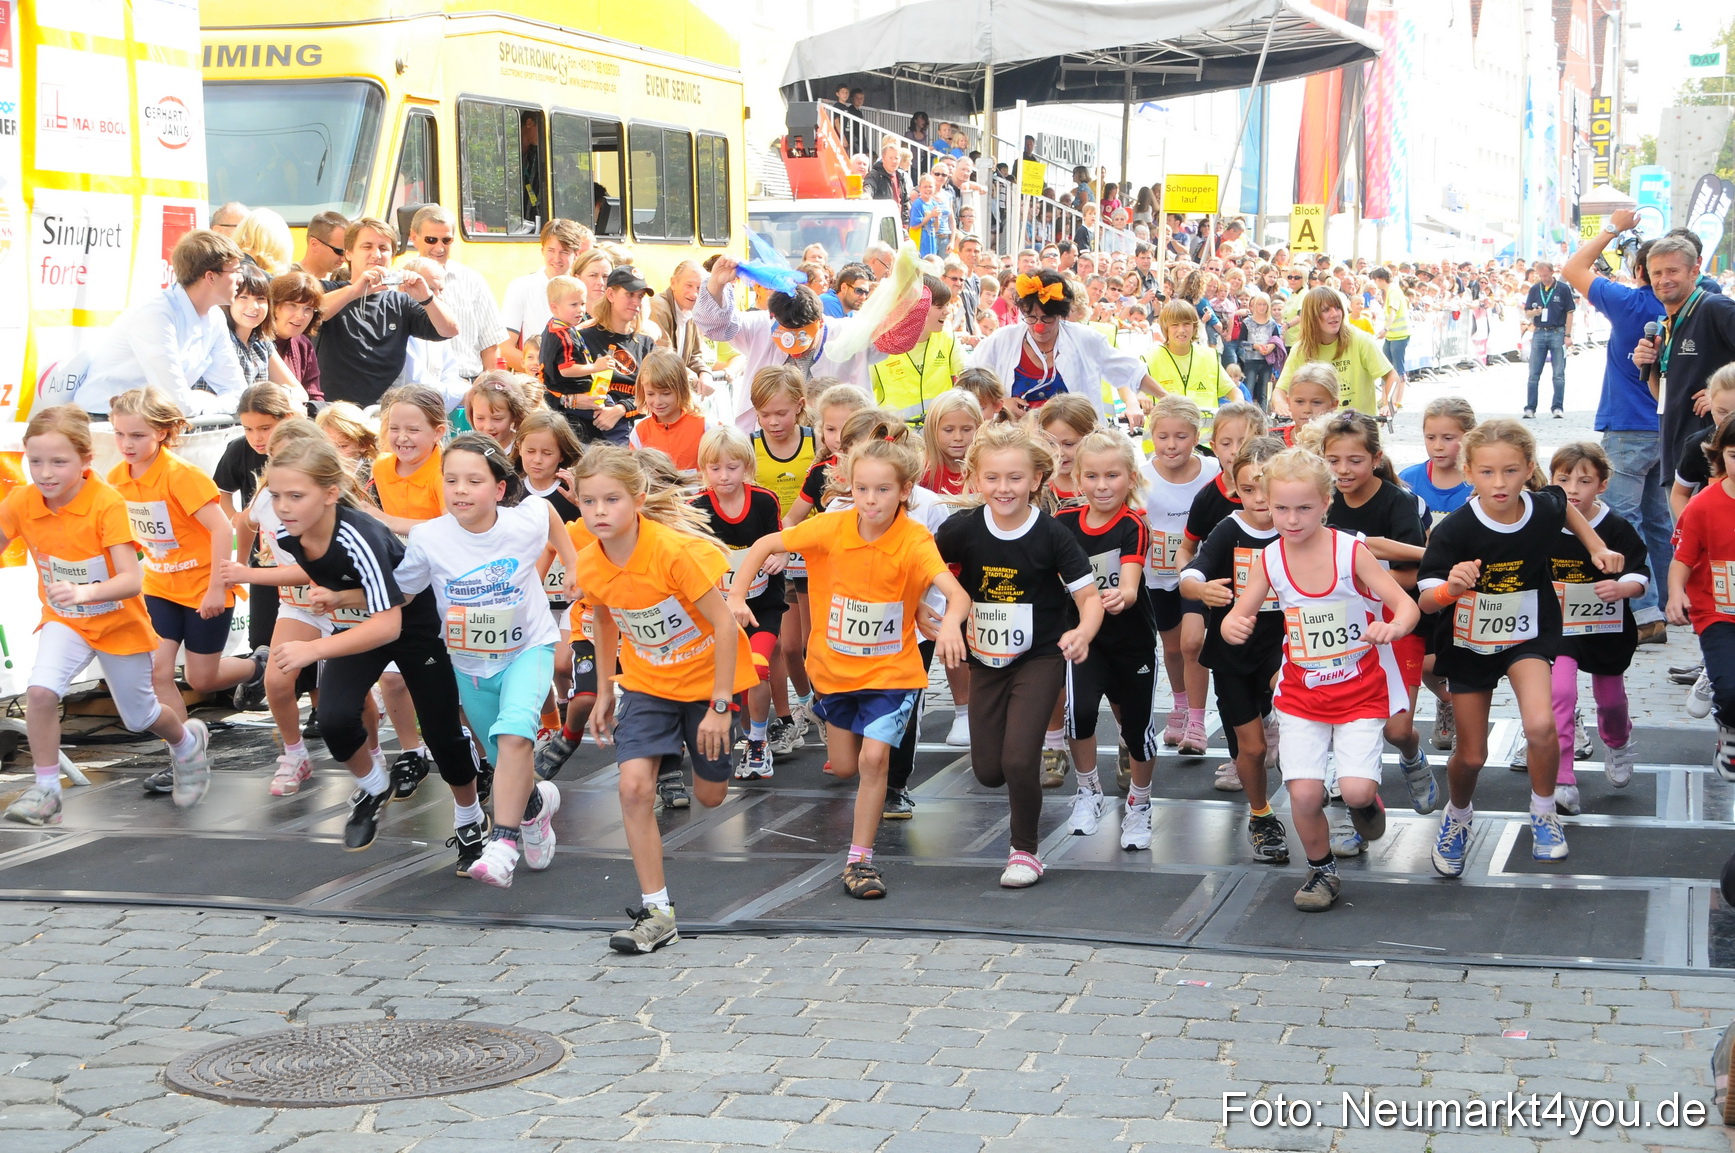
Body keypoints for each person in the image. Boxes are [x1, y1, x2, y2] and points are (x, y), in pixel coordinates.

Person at [729, 417, 969, 899]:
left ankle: (860, 860)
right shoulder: (831, 527)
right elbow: (763, 545)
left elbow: (955, 593)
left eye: (883, 490)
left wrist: (949, 628)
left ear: (905, 492)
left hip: (892, 672)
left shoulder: (914, 539)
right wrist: (737, 596)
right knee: (844, 767)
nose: (871, 500)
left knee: (875, 759)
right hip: (835, 672)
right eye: (862, 489)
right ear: (849, 486)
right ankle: (831, 724)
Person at [265, 436, 484, 864]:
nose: (283, 506)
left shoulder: (358, 534)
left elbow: (390, 622)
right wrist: (339, 598)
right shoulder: (294, 533)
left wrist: (315, 649)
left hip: (415, 627)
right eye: (275, 496)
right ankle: (373, 786)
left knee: (441, 734)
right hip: (366, 622)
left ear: (330, 495)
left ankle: (469, 816)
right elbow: (360, 594)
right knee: (333, 718)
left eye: (295, 495)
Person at [1419, 420, 1623, 877]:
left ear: (1529, 469)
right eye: (1487, 472)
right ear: (1469, 471)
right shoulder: (1456, 530)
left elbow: (1563, 508)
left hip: (1529, 635)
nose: (1499, 483)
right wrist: (1452, 587)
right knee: (1472, 754)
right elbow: (1425, 598)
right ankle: (1457, 816)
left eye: (1510, 471)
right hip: (1470, 643)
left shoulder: (1544, 505)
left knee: (1540, 725)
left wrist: (1595, 545)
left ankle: (1543, 812)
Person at [1220, 447, 1418, 912]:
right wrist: (1233, 624)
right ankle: (1322, 871)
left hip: (1360, 693)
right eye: (1281, 508)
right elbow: (1239, 613)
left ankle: (1367, 803)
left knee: (1354, 790)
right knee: (1305, 794)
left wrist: (1393, 626)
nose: (1291, 519)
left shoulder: (1352, 552)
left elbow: (1404, 603)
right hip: (1302, 695)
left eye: (1304, 508)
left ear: (1326, 503)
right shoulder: (1269, 559)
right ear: (1267, 502)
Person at [578, 447, 760, 951]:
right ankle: (658, 911)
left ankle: (696, 748)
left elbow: (724, 625)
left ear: (636, 500)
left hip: (708, 685)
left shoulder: (671, 553)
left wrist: (722, 707)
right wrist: (606, 686)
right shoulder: (591, 563)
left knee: (711, 797)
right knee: (634, 789)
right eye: (589, 501)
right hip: (648, 685)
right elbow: (604, 617)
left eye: (611, 500)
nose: (599, 512)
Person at [0, 407, 212, 826]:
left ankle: (187, 742)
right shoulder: (22, 500)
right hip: (65, 620)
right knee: (40, 693)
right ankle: (45, 789)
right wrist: (72, 601)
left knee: (140, 717)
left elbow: (132, 580)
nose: (45, 472)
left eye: (59, 462)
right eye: (35, 461)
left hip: (118, 624)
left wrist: (85, 591)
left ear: (85, 462)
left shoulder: (106, 503)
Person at [395, 433, 578, 887]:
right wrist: (340, 596)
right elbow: (401, 591)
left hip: (528, 648)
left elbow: (548, 513)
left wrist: (572, 563)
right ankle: (536, 807)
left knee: (517, 732)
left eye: (473, 481)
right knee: (503, 760)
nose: (459, 489)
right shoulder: (427, 538)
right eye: (451, 480)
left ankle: (503, 843)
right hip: (470, 666)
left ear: (499, 489)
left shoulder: (521, 522)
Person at [937, 421, 1101, 886]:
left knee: (1017, 758)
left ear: (1036, 479)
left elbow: (1088, 599)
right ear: (975, 478)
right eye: (992, 478)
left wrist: (1083, 633)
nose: (1003, 488)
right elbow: (922, 571)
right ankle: (1020, 816)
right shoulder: (961, 530)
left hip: (1042, 655)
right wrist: (933, 616)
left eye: (1014, 478)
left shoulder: (1051, 534)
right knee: (988, 770)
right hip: (985, 660)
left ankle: (1024, 851)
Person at [104, 387, 269, 769]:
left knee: (202, 679)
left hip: (201, 587)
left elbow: (221, 530)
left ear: (161, 433)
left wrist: (216, 587)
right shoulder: (116, 478)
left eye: (137, 435)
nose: (126, 444)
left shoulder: (181, 476)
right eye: (119, 434)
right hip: (159, 587)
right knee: (158, 671)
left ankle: (256, 668)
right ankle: (185, 756)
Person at [1180, 435, 1290, 862]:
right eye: (1248, 489)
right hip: (1234, 653)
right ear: (1233, 487)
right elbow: (1193, 572)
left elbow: (1360, 546)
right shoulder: (1230, 529)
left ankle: (1316, 793)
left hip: (1289, 650)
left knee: (1300, 739)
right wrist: (1199, 589)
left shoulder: (1299, 525)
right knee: (1254, 749)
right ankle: (1261, 816)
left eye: (1269, 487)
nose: (1260, 499)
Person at [1562, 208, 1669, 644]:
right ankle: (1671, 602)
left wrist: (1612, 227)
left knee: (1624, 516)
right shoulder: (1693, 302)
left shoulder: (1630, 302)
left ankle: (1646, 613)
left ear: (1638, 268)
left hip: (1629, 427)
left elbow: (1573, 268)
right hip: (1672, 426)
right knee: (1659, 520)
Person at [1055, 430, 1157, 844]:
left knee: (1136, 731)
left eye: (1112, 476)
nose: (1102, 486)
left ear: (1130, 478)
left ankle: (1141, 802)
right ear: (1078, 479)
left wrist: (1123, 594)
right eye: (1092, 476)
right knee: (1078, 717)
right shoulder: (1062, 524)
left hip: (1131, 642)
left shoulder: (1133, 524)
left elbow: (1130, 581)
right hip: (1084, 641)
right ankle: (1087, 791)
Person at [1546, 442, 1647, 815]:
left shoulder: (1616, 527)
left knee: (1611, 701)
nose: (1573, 489)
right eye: (1564, 479)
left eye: (1584, 481)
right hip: (1560, 628)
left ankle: (1618, 742)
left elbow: (1640, 572)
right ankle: (1563, 777)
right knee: (1560, 694)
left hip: (1606, 628)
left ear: (1602, 485)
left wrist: (1623, 588)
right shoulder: (1545, 523)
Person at [690, 425, 786, 779]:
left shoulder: (763, 500)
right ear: (703, 469)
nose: (724, 476)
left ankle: (758, 741)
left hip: (763, 607)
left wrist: (783, 556)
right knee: (736, 676)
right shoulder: (696, 506)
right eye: (715, 468)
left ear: (747, 466)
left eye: (732, 467)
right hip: (719, 611)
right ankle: (746, 734)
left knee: (758, 667)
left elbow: (778, 540)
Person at [72, 230, 249, 417]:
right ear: (210, 277)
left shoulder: (215, 317)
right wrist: (204, 400)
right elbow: (176, 403)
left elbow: (238, 393)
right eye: (236, 271)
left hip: (151, 421)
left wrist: (203, 401)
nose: (241, 278)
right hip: (105, 421)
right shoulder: (156, 315)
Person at [966, 271, 1156, 426]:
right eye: (1031, 318)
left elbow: (1131, 371)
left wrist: (1167, 399)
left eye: (1047, 318)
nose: (1039, 326)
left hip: (1074, 449)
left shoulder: (1085, 339)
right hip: (1020, 448)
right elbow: (970, 380)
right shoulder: (1003, 340)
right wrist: (1001, 403)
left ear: (1060, 315)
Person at [1633, 235, 1735, 515]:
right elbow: (1663, 396)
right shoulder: (1664, 325)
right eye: (1657, 273)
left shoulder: (1714, 308)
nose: (1664, 279)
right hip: (1677, 453)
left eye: (1672, 271)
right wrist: (1651, 364)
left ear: (1694, 270)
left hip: (1716, 459)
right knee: (1687, 549)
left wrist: (1723, 394)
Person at [313, 218, 458, 406]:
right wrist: (355, 290)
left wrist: (426, 296)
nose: (376, 254)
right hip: (336, 412)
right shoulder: (328, 289)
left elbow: (450, 329)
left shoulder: (400, 302)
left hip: (384, 414)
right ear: (348, 253)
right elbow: (314, 312)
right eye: (367, 247)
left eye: (383, 248)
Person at [1667, 413, 1735, 780]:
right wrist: (1676, 593)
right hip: (1718, 613)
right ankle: (1729, 725)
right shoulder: (1704, 505)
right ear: (1719, 455)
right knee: (1730, 685)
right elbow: (1683, 559)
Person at [409, 205, 509, 386]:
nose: (439, 247)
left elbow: (490, 345)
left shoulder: (473, 281)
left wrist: (488, 392)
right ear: (413, 237)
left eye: (446, 240)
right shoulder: (401, 283)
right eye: (431, 239)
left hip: (466, 386)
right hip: (415, 391)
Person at [1275, 287, 1400, 419]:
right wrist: (1280, 403)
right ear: (1311, 316)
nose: (1334, 314)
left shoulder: (1361, 340)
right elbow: (1281, 389)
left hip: (1360, 431)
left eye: (1337, 308)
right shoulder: (1301, 349)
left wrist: (1389, 403)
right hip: (1318, 432)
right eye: (1325, 310)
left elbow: (1391, 375)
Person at [500, 219, 591, 372]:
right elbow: (505, 348)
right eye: (551, 250)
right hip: (536, 384)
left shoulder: (584, 289)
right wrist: (546, 374)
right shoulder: (521, 287)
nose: (556, 259)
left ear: (576, 254)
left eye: (564, 252)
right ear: (542, 250)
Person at [870, 274, 960, 425]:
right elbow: (862, 395)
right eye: (940, 306)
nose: (947, 311)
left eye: (947, 305)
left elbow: (967, 377)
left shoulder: (947, 338)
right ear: (918, 308)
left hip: (938, 434)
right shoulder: (881, 345)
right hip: (896, 437)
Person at [628, 349, 714, 473]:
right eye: (650, 394)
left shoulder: (706, 426)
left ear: (681, 389)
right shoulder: (639, 432)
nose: (657, 401)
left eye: (666, 393)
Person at [648, 260, 715, 395]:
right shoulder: (658, 307)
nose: (694, 294)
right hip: (658, 391)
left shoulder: (693, 310)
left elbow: (695, 355)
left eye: (699, 288)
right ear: (673, 283)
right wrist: (691, 376)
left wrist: (705, 373)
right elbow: (663, 356)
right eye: (688, 285)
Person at [1521, 261, 1575, 419]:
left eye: (1545, 275)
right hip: (1539, 332)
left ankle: (1557, 407)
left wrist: (1568, 334)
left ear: (1552, 272)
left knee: (1558, 373)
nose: (1543, 278)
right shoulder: (1534, 289)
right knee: (1533, 374)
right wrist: (1534, 312)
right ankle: (1530, 407)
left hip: (1557, 332)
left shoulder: (1563, 289)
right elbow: (1527, 313)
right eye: (1540, 275)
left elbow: (1570, 312)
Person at [269, 272, 324, 404]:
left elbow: (314, 396)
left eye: (308, 309)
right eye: (292, 305)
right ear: (274, 306)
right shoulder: (255, 340)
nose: (300, 315)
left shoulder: (303, 344)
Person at [294, 210, 349, 282]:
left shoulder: (344, 278)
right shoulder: (287, 280)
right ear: (315, 245)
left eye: (347, 252)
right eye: (339, 251)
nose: (344, 259)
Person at [864, 138, 908, 215]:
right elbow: (869, 186)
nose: (894, 161)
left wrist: (905, 221)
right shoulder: (875, 175)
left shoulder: (901, 177)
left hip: (898, 222)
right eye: (890, 158)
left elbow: (905, 202)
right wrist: (867, 195)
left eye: (896, 158)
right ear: (883, 159)